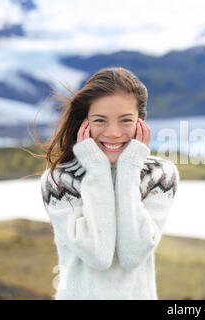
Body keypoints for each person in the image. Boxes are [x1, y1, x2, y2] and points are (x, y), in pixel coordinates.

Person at [39, 67, 179, 299]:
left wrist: (130, 168)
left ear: (140, 123)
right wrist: (96, 169)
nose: (113, 133)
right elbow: (98, 256)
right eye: (100, 120)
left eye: (126, 120)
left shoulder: (160, 175)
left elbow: (133, 254)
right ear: (85, 123)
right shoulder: (59, 181)